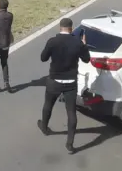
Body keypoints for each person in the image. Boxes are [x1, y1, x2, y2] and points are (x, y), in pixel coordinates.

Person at [38, 18, 90, 153]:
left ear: (60, 27)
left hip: (54, 80)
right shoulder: (78, 43)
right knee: (71, 112)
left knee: (48, 105)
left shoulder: (53, 41)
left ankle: (44, 127)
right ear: (71, 29)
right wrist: (84, 45)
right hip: (71, 83)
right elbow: (86, 59)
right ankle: (70, 143)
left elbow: (43, 58)